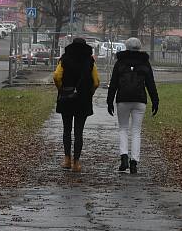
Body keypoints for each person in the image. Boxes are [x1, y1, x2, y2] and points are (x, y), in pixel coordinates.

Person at [106, 37, 159, 174]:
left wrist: (109, 100)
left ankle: (124, 156)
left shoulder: (120, 62)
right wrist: (155, 100)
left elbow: (113, 83)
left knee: (123, 129)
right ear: (139, 47)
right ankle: (134, 161)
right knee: (136, 131)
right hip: (139, 99)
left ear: (126, 47)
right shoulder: (145, 62)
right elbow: (150, 83)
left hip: (123, 99)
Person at [53, 37, 100, 173]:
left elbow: (56, 76)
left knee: (66, 129)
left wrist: (61, 89)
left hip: (66, 97)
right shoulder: (90, 61)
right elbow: (96, 81)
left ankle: (67, 159)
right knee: (79, 131)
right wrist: (89, 92)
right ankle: (77, 163)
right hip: (83, 99)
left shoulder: (64, 59)